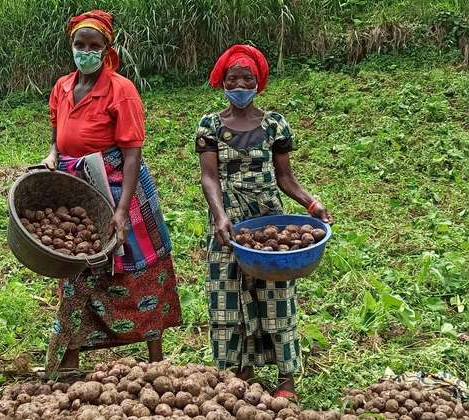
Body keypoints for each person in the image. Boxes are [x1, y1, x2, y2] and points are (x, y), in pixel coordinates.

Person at [42, 9, 181, 374]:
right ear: (70, 45)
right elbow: (57, 134)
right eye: (79, 44)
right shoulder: (62, 87)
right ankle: (69, 362)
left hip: (119, 182)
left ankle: (156, 361)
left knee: (139, 267)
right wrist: (53, 154)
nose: (85, 51)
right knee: (77, 269)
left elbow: (133, 153)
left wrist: (121, 210)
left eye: (93, 45)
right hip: (74, 188)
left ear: (107, 49)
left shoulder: (121, 90)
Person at [195, 44, 333, 398]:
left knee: (276, 295)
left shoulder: (275, 124)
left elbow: (285, 177)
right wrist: (220, 215)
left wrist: (311, 203)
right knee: (227, 295)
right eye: (233, 78)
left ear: (258, 82)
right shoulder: (209, 125)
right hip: (226, 221)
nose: (239, 84)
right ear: (222, 81)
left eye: (247, 78)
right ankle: (241, 372)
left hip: (267, 218)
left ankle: (286, 378)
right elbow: (209, 176)